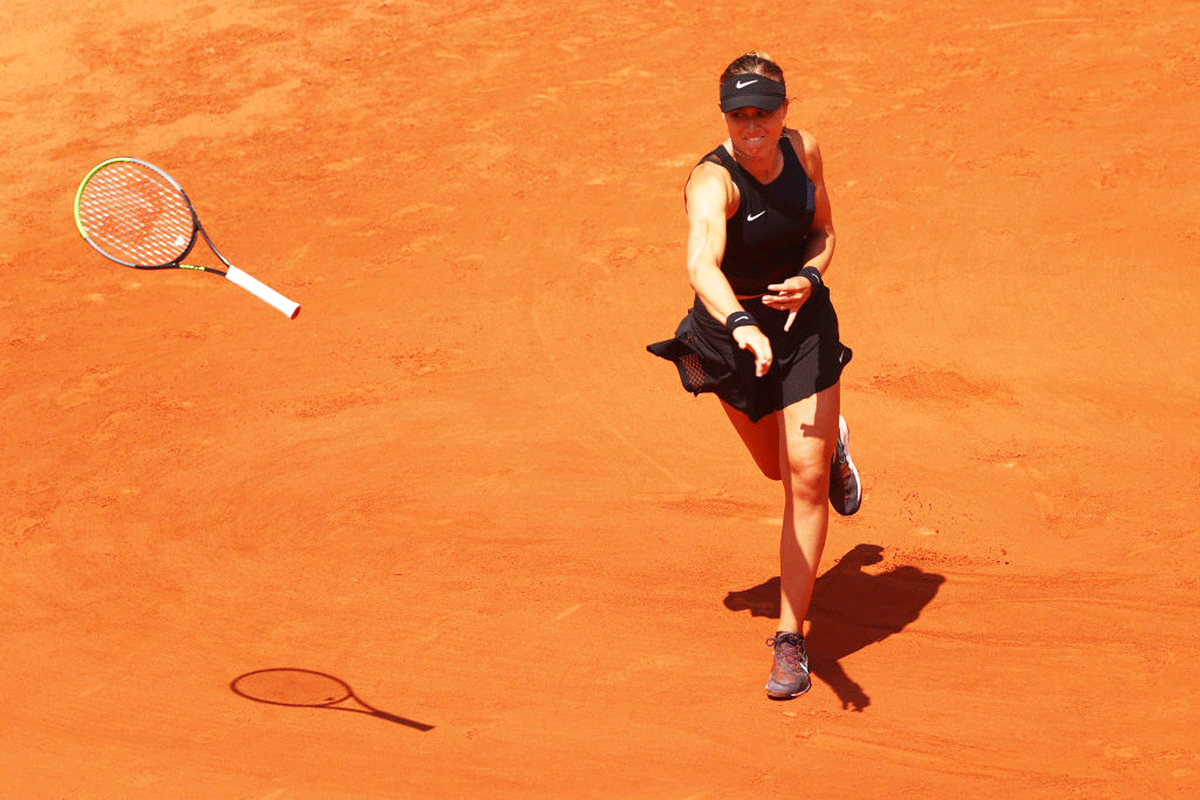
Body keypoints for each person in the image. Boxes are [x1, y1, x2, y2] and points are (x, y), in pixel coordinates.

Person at [647, 52, 862, 699]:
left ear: (783, 112)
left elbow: (823, 230)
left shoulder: (806, 153)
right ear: (726, 118)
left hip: (800, 327)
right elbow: (700, 263)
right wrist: (740, 324)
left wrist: (812, 276)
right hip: (728, 333)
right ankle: (834, 444)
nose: (752, 128)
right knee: (774, 466)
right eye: (739, 116)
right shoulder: (713, 183)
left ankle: (792, 638)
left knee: (803, 475)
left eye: (762, 114)